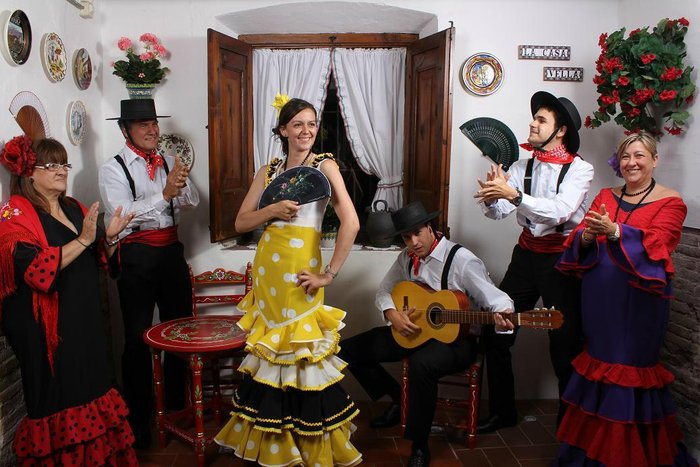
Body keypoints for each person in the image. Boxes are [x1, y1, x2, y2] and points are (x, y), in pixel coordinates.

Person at [214, 96, 362, 466]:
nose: (306, 131)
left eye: (311, 123)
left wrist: (329, 273)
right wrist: (272, 210)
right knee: (270, 355)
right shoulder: (268, 170)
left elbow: (352, 222)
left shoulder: (324, 166)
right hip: (267, 277)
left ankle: (308, 445)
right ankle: (275, 445)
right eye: (297, 124)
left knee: (301, 354)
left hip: (301, 276)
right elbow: (241, 222)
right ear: (283, 130)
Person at [554, 132, 698, 467]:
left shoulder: (671, 202)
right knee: (599, 366)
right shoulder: (605, 195)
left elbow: (662, 244)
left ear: (654, 160)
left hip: (639, 308)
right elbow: (578, 239)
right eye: (625, 157)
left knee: (627, 370)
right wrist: (588, 235)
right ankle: (589, 455)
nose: (631, 162)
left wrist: (615, 231)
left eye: (639, 156)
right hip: (599, 303)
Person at [339, 201, 514, 467]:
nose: (413, 242)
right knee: (348, 349)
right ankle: (399, 399)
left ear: (430, 228)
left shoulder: (462, 260)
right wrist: (391, 314)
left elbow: (497, 299)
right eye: (406, 237)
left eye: (417, 233)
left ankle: (419, 447)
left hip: (457, 342)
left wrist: (504, 314)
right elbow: (384, 291)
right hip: (414, 332)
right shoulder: (407, 257)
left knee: (422, 365)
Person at [0, 136, 137, 465]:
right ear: (29, 173)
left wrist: (111, 238)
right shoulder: (13, 216)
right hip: (49, 333)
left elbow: (98, 259)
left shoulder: (74, 208)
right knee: (61, 397)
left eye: (64, 163)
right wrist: (85, 239)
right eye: (53, 165)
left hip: (85, 320)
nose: (62, 170)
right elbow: (33, 269)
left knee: (94, 388)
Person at [474, 91, 594, 431]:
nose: (532, 122)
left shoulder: (580, 169)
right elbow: (499, 213)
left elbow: (560, 210)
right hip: (525, 257)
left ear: (560, 131)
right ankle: (502, 412)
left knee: (564, 345)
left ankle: (568, 427)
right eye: (535, 117)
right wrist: (490, 196)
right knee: (497, 329)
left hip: (562, 261)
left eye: (541, 120)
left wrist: (513, 194)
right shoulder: (520, 166)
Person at [99, 99, 199, 448]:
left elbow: (192, 202)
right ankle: (138, 424)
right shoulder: (112, 168)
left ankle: (178, 412)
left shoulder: (170, 160)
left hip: (172, 252)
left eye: (154, 123)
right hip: (137, 256)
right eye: (142, 124)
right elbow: (122, 213)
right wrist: (164, 193)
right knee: (137, 340)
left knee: (180, 333)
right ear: (125, 130)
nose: (152, 129)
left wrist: (181, 186)